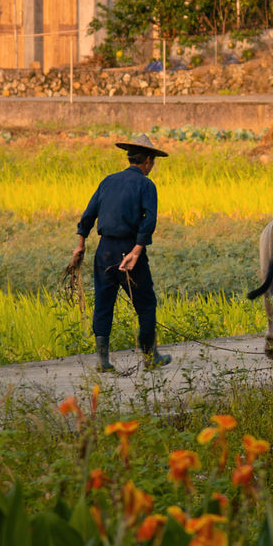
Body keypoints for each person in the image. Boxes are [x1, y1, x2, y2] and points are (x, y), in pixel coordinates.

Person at [71, 133, 172, 372]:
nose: (152, 166)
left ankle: (103, 362)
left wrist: (80, 244)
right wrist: (136, 251)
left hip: (104, 250)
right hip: (128, 250)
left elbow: (89, 214)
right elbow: (149, 220)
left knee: (103, 303)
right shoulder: (146, 184)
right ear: (148, 160)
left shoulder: (108, 181)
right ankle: (150, 357)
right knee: (146, 303)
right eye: (153, 162)